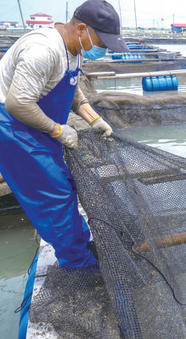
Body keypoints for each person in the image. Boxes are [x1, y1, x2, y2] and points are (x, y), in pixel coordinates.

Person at [0, 0, 129, 268]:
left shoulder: (75, 49)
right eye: (102, 43)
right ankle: (76, 264)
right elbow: (17, 103)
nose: (103, 50)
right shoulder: (43, 50)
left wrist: (94, 119)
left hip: (39, 125)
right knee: (53, 197)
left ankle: (80, 246)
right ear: (82, 29)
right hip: (14, 128)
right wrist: (58, 129)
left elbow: (71, 88)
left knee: (66, 187)